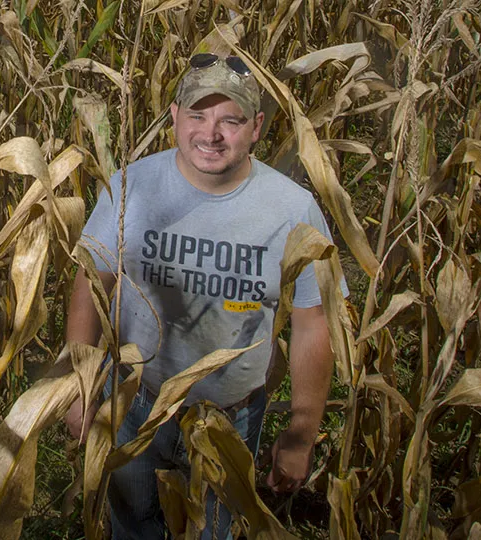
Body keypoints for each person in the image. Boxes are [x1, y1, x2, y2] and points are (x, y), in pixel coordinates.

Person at [62, 52, 347, 539]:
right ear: (174, 117)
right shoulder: (134, 186)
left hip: (231, 422)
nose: (211, 135)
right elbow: (92, 281)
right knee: (131, 528)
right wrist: (79, 383)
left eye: (230, 120)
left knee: (216, 531)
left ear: (256, 127)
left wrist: (301, 430)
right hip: (135, 404)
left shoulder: (292, 210)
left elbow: (312, 322)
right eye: (197, 115)